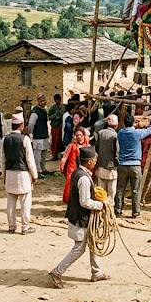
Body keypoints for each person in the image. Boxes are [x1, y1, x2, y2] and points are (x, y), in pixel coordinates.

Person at [49, 147, 109, 287]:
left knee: (94, 245)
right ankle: (57, 272)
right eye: (94, 159)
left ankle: (97, 273)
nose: (95, 162)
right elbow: (85, 202)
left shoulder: (78, 172)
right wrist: (102, 205)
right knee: (79, 249)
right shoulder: (84, 178)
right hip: (81, 219)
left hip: (80, 217)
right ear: (89, 162)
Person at [115, 114, 151, 218]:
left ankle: (118, 211)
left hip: (123, 165)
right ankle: (136, 212)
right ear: (133, 122)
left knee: (120, 189)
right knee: (135, 190)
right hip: (135, 166)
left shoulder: (120, 133)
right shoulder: (137, 133)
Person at [1, 114, 37, 234]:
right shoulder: (25, 139)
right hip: (22, 174)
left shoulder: (4, 139)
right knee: (25, 201)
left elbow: (3, 159)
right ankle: (25, 227)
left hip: (10, 173)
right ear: (21, 125)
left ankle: (11, 226)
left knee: (11, 201)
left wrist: (3, 175)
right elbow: (30, 160)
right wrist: (34, 175)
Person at [94, 114, 119, 200]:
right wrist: (116, 164)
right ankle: (110, 210)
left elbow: (97, 148)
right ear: (116, 125)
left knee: (101, 192)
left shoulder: (100, 133)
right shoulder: (115, 135)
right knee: (111, 194)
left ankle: (101, 211)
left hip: (101, 165)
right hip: (111, 167)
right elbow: (117, 152)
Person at [60, 127, 88, 205]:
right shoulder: (71, 145)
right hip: (72, 168)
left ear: (83, 136)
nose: (79, 137)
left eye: (80, 135)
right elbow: (65, 157)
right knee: (70, 185)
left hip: (83, 169)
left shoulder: (87, 146)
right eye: (77, 135)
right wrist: (62, 166)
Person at [27, 93, 51, 174]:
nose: (43, 102)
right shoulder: (35, 112)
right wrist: (31, 133)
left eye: (44, 100)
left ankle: (43, 169)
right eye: (41, 101)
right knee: (37, 155)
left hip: (44, 136)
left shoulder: (44, 110)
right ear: (38, 102)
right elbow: (31, 124)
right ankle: (37, 170)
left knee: (44, 154)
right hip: (37, 137)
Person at [48, 93, 64, 161]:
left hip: (61, 126)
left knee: (61, 141)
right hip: (55, 126)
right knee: (55, 141)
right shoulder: (52, 107)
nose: (58, 101)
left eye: (59, 100)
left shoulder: (63, 107)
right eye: (57, 100)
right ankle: (54, 155)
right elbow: (49, 116)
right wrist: (56, 116)